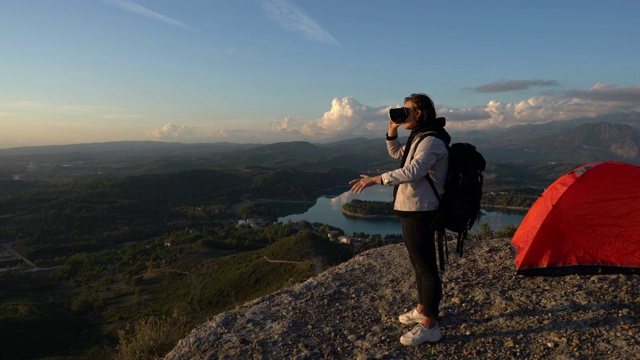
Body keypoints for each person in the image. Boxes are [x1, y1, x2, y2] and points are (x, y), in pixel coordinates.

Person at [349, 93, 450, 346]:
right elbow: (397, 154)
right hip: (411, 208)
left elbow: (413, 171)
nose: (402, 114)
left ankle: (430, 325)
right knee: (418, 264)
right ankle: (421, 308)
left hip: (422, 209)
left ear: (420, 113)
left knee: (426, 268)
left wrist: (375, 179)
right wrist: (392, 128)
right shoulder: (419, 138)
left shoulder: (432, 141)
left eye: (407, 110)